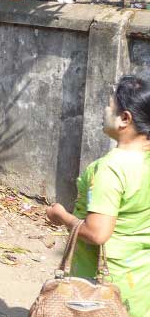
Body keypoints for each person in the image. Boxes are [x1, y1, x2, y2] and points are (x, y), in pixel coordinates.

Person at [46, 75, 150, 317]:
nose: (104, 109)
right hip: (140, 281)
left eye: (109, 104)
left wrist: (61, 216)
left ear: (125, 119)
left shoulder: (111, 168)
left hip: (103, 287)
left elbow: (98, 232)